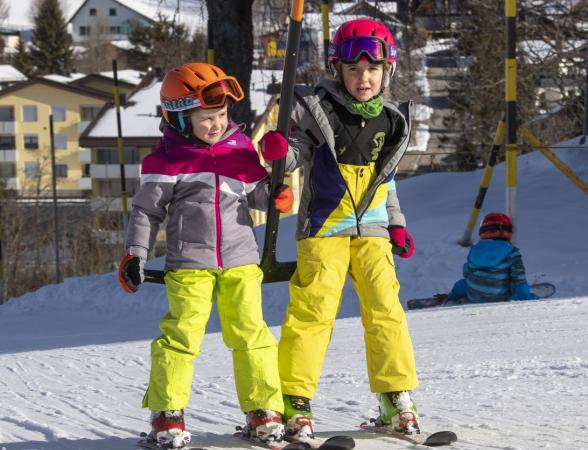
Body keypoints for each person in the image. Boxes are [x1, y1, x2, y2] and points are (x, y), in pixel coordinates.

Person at [117, 62, 294, 449]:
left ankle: (263, 409)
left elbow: (261, 196)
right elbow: (146, 212)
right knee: (181, 338)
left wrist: (278, 189)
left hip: (241, 262)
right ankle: (168, 413)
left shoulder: (240, 149)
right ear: (179, 117)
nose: (216, 124)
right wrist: (135, 254)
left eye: (221, 115)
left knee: (252, 335)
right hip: (189, 266)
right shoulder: (165, 162)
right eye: (206, 118)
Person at [258, 19, 420, 437]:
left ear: (388, 71)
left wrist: (395, 224)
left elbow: (386, 179)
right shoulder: (316, 108)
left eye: (372, 70)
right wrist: (279, 151)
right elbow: (294, 154)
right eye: (352, 70)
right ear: (337, 69)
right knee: (313, 313)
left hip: (373, 232)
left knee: (386, 311)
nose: (363, 78)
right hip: (325, 228)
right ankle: (295, 401)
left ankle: (396, 398)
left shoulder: (390, 118)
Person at [437, 212, 538, 304]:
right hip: (499, 298)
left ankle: (450, 297)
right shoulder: (512, 253)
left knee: (462, 284)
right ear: (506, 231)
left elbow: (467, 272)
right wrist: (527, 298)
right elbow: (519, 280)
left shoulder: (474, 249)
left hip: (474, 296)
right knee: (514, 285)